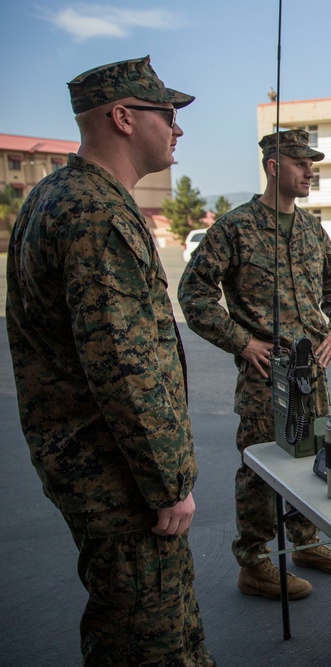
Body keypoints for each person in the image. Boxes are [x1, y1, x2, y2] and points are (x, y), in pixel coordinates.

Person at [5, 56, 214, 665]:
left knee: (160, 621)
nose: (178, 130)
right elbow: (124, 367)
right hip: (119, 479)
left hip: (93, 467)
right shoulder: (96, 214)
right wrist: (168, 482)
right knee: (145, 639)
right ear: (122, 117)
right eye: (167, 115)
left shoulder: (56, 195)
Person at [178, 129, 331, 601]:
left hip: (312, 371)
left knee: (313, 458)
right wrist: (242, 342)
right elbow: (193, 294)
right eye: (301, 163)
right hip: (265, 374)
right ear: (275, 166)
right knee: (260, 467)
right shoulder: (235, 228)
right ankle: (254, 561)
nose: (310, 172)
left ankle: (305, 542)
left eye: (312, 163)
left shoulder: (314, 230)